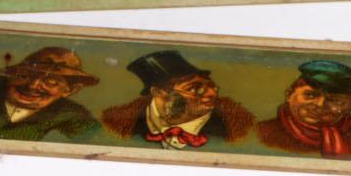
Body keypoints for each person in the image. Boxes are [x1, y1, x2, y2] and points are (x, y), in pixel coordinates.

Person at [0, 47, 101, 143]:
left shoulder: (77, 118)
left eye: (51, 82)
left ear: (70, 90)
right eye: (24, 76)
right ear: (12, 75)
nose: (33, 85)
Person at [100, 50, 254, 148]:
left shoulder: (238, 127)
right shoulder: (116, 124)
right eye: (194, 88)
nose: (212, 93)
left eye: (211, 86)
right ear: (159, 92)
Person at [256, 60, 351, 157]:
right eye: (310, 95)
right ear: (289, 94)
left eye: (334, 100)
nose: (320, 104)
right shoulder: (261, 133)